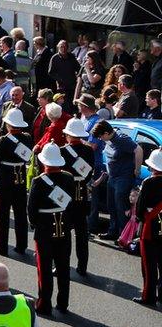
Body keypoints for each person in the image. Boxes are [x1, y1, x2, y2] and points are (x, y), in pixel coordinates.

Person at [29, 143, 76, 315]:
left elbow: (32, 209)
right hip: (63, 225)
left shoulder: (39, 181)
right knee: (63, 267)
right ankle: (63, 303)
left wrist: (36, 224)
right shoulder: (68, 177)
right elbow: (71, 205)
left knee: (45, 269)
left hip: (45, 228)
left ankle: (44, 304)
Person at [0, 108, 33, 256]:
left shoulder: (4, 139)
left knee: (2, 214)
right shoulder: (27, 138)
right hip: (20, 178)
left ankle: (1, 245)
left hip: (5, 179)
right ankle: (21, 245)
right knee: (20, 213)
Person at [92, 120, 142, 241]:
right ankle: (112, 231)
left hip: (123, 178)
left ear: (106, 133)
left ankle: (124, 236)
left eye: (100, 136)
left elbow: (138, 150)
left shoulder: (121, 139)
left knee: (121, 207)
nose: (100, 139)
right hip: (112, 177)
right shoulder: (109, 139)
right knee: (112, 206)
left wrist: (137, 169)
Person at [60, 118, 95, 276]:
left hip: (65, 194)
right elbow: (89, 175)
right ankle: (83, 266)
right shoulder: (88, 151)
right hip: (81, 193)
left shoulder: (62, 151)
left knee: (64, 233)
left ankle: (61, 265)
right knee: (81, 233)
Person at [135, 149, 162, 305]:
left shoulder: (149, 182)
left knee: (149, 265)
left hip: (150, 228)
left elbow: (139, 209)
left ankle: (148, 296)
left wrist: (141, 217)